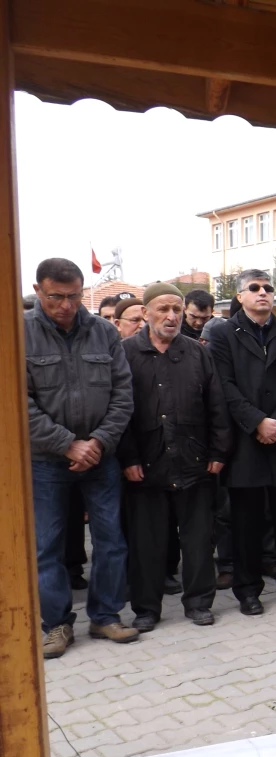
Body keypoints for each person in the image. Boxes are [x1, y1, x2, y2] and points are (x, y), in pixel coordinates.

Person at [28, 258, 138, 657]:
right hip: (44, 460)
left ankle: (105, 616)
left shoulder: (104, 332)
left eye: (74, 296)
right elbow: (18, 403)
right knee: (47, 546)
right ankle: (56, 625)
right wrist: (66, 443)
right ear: (39, 290)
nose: (67, 305)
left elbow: (123, 393)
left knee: (110, 539)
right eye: (57, 296)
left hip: (100, 457)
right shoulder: (19, 334)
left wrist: (98, 442)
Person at [118, 283, 232, 630]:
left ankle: (198, 602)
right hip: (146, 465)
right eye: (163, 309)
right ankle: (147, 609)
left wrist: (218, 451)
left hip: (193, 461)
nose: (171, 316)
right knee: (147, 543)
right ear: (146, 313)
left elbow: (217, 406)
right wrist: (128, 458)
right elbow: (118, 412)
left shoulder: (198, 353)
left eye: (177, 310)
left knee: (198, 539)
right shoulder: (125, 353)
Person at [208, 268, 276, 614]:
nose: (263, 293)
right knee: (246, 523)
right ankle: (248, 589)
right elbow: (224, 385)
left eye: (268, 288)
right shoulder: (224, 334)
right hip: (246, 443)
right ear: (240, 296)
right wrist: (257, 421)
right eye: (254, 288)